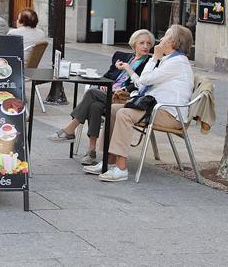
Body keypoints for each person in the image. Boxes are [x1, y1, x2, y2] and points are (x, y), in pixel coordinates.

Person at [82, 25, 194, 182]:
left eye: (166, 36)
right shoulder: (168, 60)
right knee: (113, 109)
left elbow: (146, 79)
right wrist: (130, 70)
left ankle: (121, 168)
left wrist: (154, 58)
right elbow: (143, 83)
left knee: (124, 113)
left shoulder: (177, 63)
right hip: (155, 108)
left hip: (169, 113)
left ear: (173, 42)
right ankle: (109, 161)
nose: (161, 39)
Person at [50, 29, 154, 165]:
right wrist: (104, 85)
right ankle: (91, 151)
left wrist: (125, 78)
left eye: (148, 43)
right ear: (134, 44)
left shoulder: (151, 63)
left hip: (124, 99)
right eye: (142, 43)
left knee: (91, 93)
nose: (146, 46)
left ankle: (70, 128)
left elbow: (141, 85)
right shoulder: (122, 56)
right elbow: (106, 76)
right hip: (108, 94)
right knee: (95, 105)